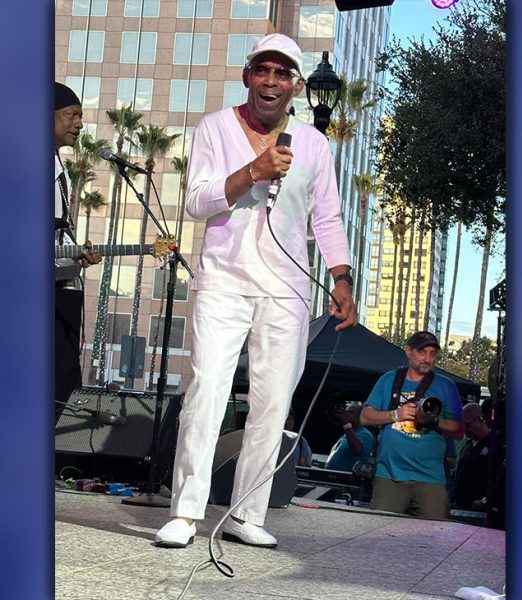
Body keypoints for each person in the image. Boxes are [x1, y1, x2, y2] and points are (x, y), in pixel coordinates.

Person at [155, 33, 356, 549]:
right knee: (207, 392)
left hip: (287, 289)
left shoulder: (313, 143)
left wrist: (341, 278)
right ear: (247, 76)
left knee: (272, 404)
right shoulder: (215, 128)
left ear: (294, 85)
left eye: (283, 73)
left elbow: (327, 217)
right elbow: (198, 202)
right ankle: (186, 511)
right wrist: (254, 172)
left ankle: (248, 513)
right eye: (263, 71)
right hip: (224, 279)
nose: (271, 81)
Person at [360, 331, 464, 520]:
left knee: (434, 538)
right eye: (422, 352)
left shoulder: (446, 385)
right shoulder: (388, 380)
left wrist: (433, 420)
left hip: (430, 478)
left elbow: (459, 430)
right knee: (378, 535)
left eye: (433, 354)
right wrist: (396, 414)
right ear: (408, 352)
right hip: (390, 476)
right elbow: (365, 417)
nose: (428, 359)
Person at [55, 82, 101, 422]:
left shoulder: (61, 175)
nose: (80, 125)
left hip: (58, 297)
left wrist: (75, 260)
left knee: (62, 389)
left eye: (81, 116)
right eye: (72, 115)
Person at [449, 402, 491, 510]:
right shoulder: (468, 444)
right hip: (460, 504)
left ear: (479, 419)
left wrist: (485, 501)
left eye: (467, 425)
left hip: (477, 506)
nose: (465, 430)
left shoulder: (493, 443)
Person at [325, 400, 373, 472]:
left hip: (345, 478)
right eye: (346, 412)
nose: (346, 415)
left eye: (351, 412)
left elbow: (357, 449)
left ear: (360, 416)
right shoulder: (346, 434)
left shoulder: (365, 434)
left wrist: (347, 424)